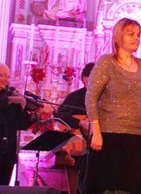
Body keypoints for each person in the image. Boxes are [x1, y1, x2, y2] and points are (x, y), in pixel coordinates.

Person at [85, 18, 141, 194]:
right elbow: (91, 97)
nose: (136, 38)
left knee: (134, 187)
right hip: (109, 135)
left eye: (138, 35)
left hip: (135, 136)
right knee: (107, 186)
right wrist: (96, 131)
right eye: (131, 34)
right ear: (118, 36)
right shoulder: (106, 62)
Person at [0, 61, 41, 185]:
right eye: (4, 76)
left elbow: (22, 123)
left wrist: (36, 115)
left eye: (8, 76)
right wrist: (10, 100)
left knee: (4, 188)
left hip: (8, 152)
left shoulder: (11, 97)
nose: (7, 80)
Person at [55, 62, 94, 193]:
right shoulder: (74, 97)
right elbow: (60, 116)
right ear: (85, 78)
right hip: (79, 149)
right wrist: (80, 123)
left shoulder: (105, 99)